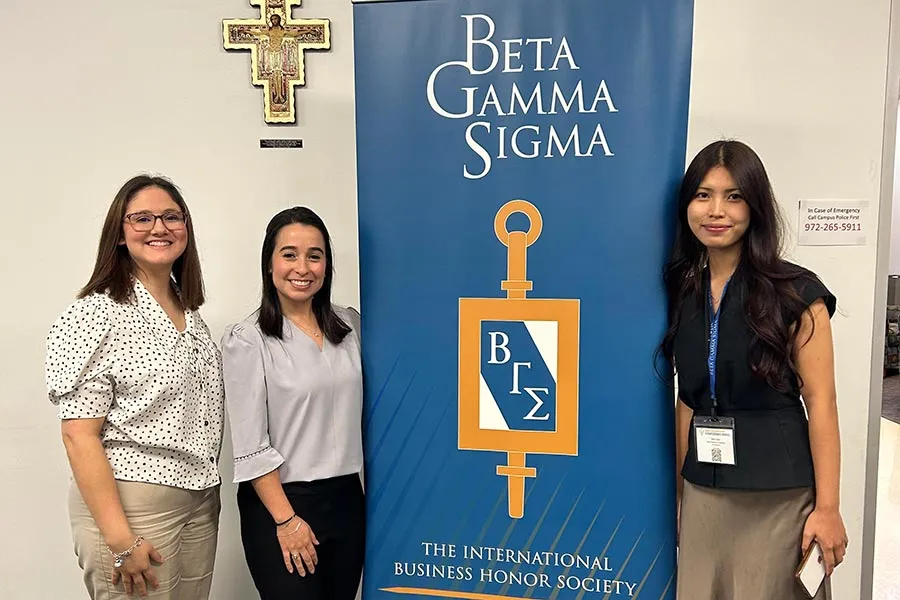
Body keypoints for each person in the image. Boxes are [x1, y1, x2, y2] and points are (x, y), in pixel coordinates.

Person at [661, 141, 848, 599]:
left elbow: (821, 402)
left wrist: (827, 508)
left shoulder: (797, 293)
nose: (716, 210)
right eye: (703, 195)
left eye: (734, 196)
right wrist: (680, 495)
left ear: (755, 205)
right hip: (705, 491)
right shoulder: (682, 292)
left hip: (778, 498)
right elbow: (687, 399)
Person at [45, 175, 224, 599]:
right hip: (134, 508)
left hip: (199, 500)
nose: (159, 228)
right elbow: (78, 435)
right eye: (142, 218)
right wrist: (121, 541)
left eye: (171, 217)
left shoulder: (188, 312)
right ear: (120, 234)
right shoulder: (95, 314)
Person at [222, 206, 365, 600]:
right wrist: (287, 521)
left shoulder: (351, 326)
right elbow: (251, 446)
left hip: (348, 500)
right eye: (289, 254)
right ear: (269, 263)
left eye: (314, 255)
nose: (302, 267)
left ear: (326, 265)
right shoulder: (247, 340)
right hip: (282, 504)